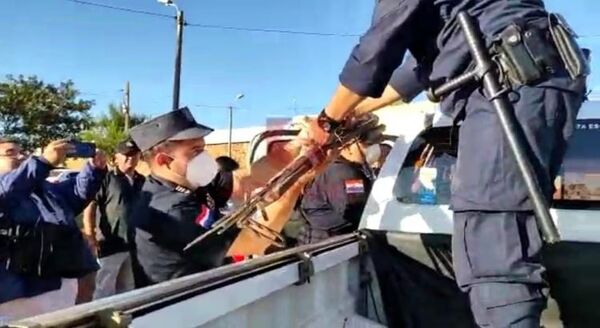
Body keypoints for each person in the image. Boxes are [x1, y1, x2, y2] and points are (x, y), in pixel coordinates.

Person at [306, 1, 588, 327]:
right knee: (504, 238)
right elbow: (412, 74)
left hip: (507, 84)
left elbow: (376, 49)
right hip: (532, 73)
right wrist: (349, 113)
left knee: (492, 249)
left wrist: (328, 120)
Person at [128, 107, 316, 286]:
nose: (204, 157)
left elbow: (248, 180)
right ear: (163, 160)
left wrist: (298, 146)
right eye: (196, 151)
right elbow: (254, 241)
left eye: (203, 148)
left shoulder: (187, 182)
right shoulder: (172, 208)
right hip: (185, 311)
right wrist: (299, 179)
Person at [0, 139, 107, 322]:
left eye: (22, 152)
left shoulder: (44, 188)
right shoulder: (8, 188)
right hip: (16, 294)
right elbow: (11, 189)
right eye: (11, 153)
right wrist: (42, 163)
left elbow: (76, 195)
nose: (21, 157)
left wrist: (94, 169)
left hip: (57, 284)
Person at [82, 139, 145, 300]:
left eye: (134, 155)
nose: (130, 159)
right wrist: (90, 235)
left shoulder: (142, 180)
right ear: (116, 157)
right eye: (125, 155)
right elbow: (90, 206)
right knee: (104, 288)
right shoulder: (107, 178)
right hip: (110, 244)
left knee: (128, 289)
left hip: (134, 244)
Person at [297, 133, 381, 245]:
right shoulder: (345, 172)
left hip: (319, 239)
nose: (373, 148)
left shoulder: (339, 167)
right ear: (348, 146)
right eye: (366, 144)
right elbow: (355, 211)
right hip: (331, 243)